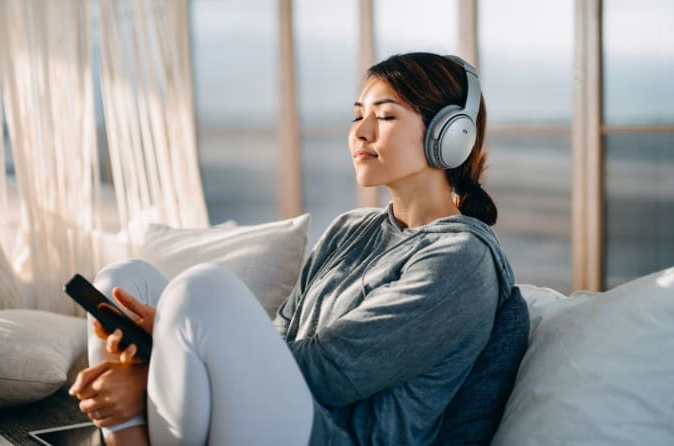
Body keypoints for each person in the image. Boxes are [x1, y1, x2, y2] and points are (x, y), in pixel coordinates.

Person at [68, 52, 529, 446]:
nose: (361, 132)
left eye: (385, 116)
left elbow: (331, 373)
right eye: (358, 115)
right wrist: (172, 347)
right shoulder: (351, 229)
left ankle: (143, 403)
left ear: (451, 138)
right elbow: (281, 333)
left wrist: (159, 369)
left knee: (200, 291)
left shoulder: (461, 260)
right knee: (120, 280)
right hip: (278, 414)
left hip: (333, 436)